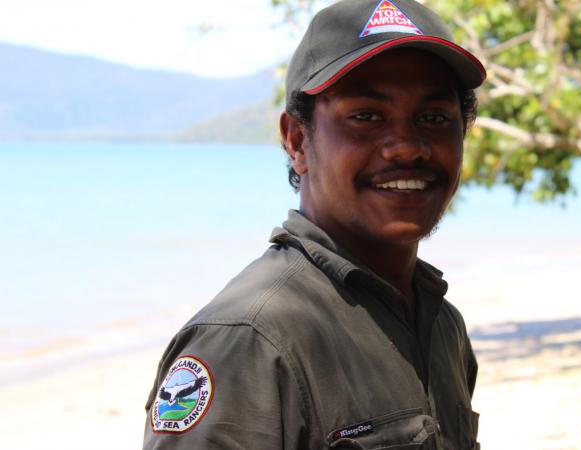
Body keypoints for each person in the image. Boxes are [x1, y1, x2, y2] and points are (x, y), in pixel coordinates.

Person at [142, 0, 485, 448]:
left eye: (434, 118)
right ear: (298, 140)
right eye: (367, 116)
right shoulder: (251, 339)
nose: (407, 147)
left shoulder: (442, 326)